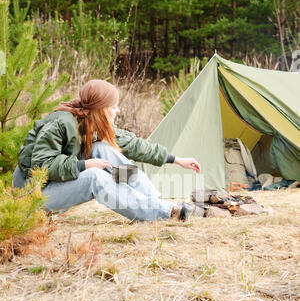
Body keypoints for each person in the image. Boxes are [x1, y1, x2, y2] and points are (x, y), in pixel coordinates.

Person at [13, 79, 200, 222]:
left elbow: (133, 145)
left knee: (102, 148)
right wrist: (83, 165)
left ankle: (153, 203)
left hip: (54, 186)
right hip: (33, 195)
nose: (117, 111)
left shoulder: (90, 121)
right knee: (94, 176)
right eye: (113, 107)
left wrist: (175, 159)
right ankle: (163, 213)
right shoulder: (60, 124)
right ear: (100, 109)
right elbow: (41, 167)